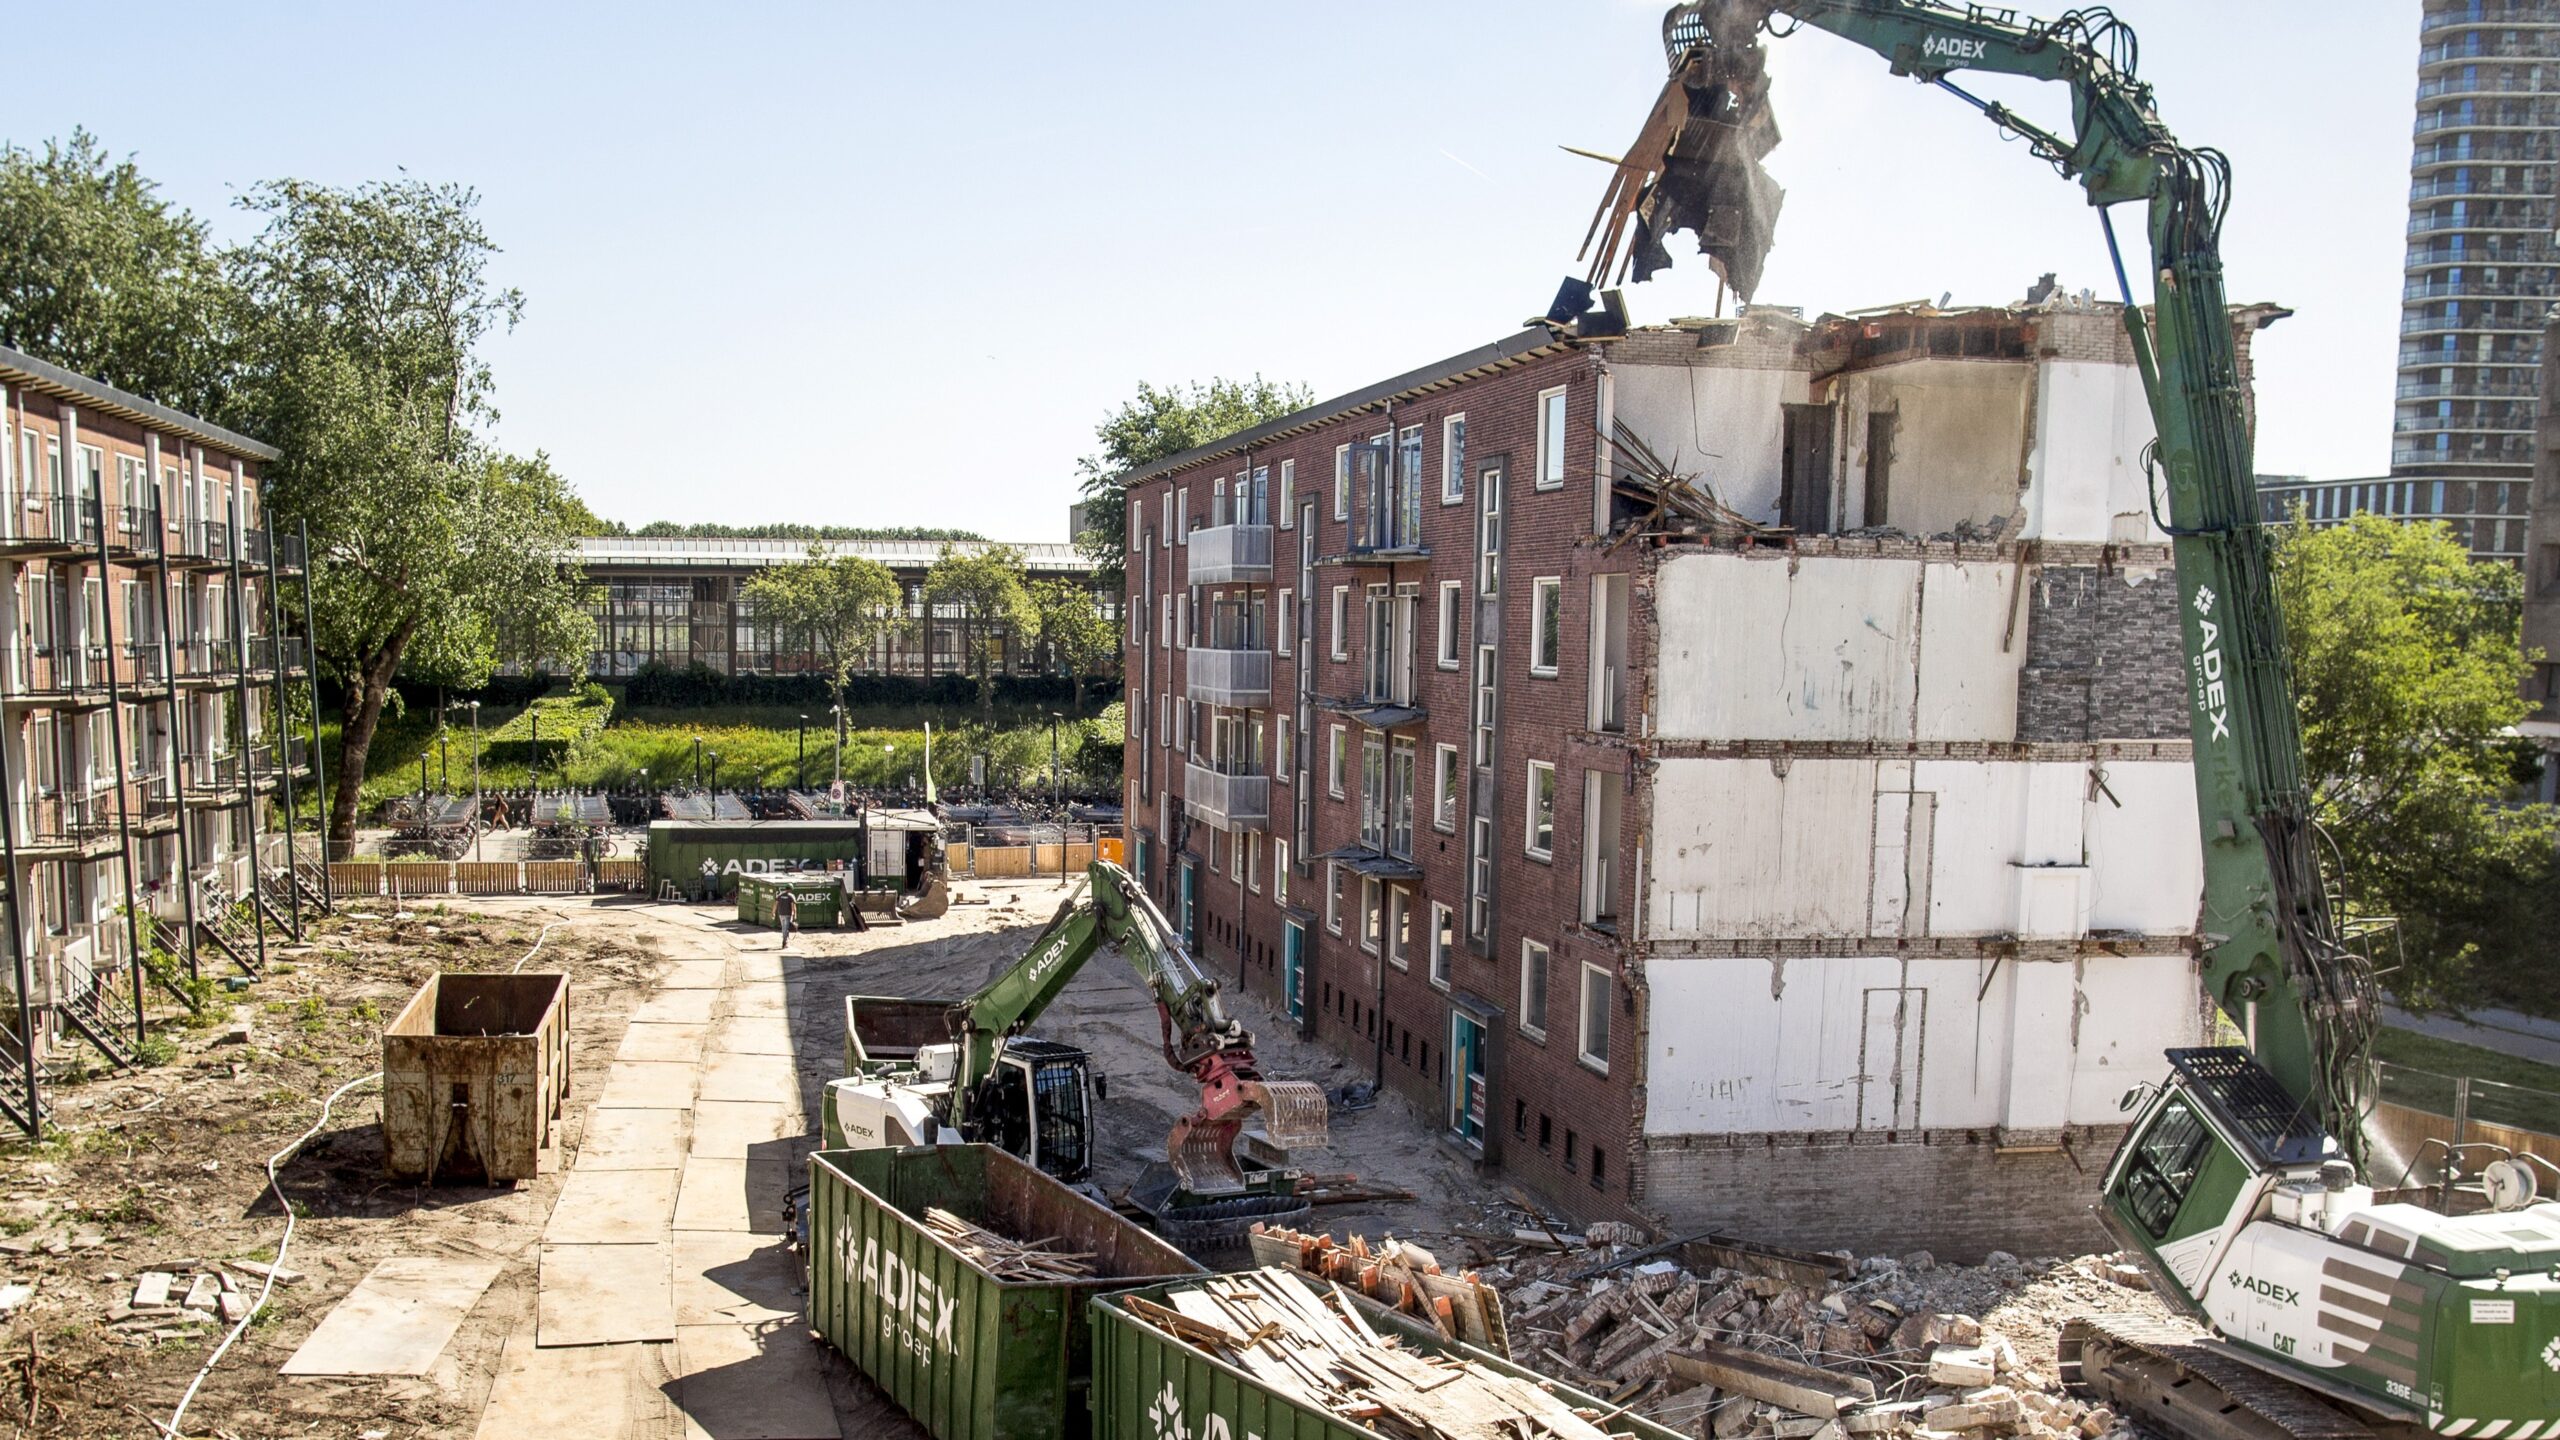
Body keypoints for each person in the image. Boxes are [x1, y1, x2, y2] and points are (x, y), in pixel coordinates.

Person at [773, 885, 796, 951]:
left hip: (781, 914)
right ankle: (784, 942)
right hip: (788, 914)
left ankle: (785, 941)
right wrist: (793, 915)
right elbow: (793, 907)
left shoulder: (780, 895)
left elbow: (775, 904)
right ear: (791, 889)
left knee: (784, 928)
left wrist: (773, 912)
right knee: (786, 928)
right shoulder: (791, 896)